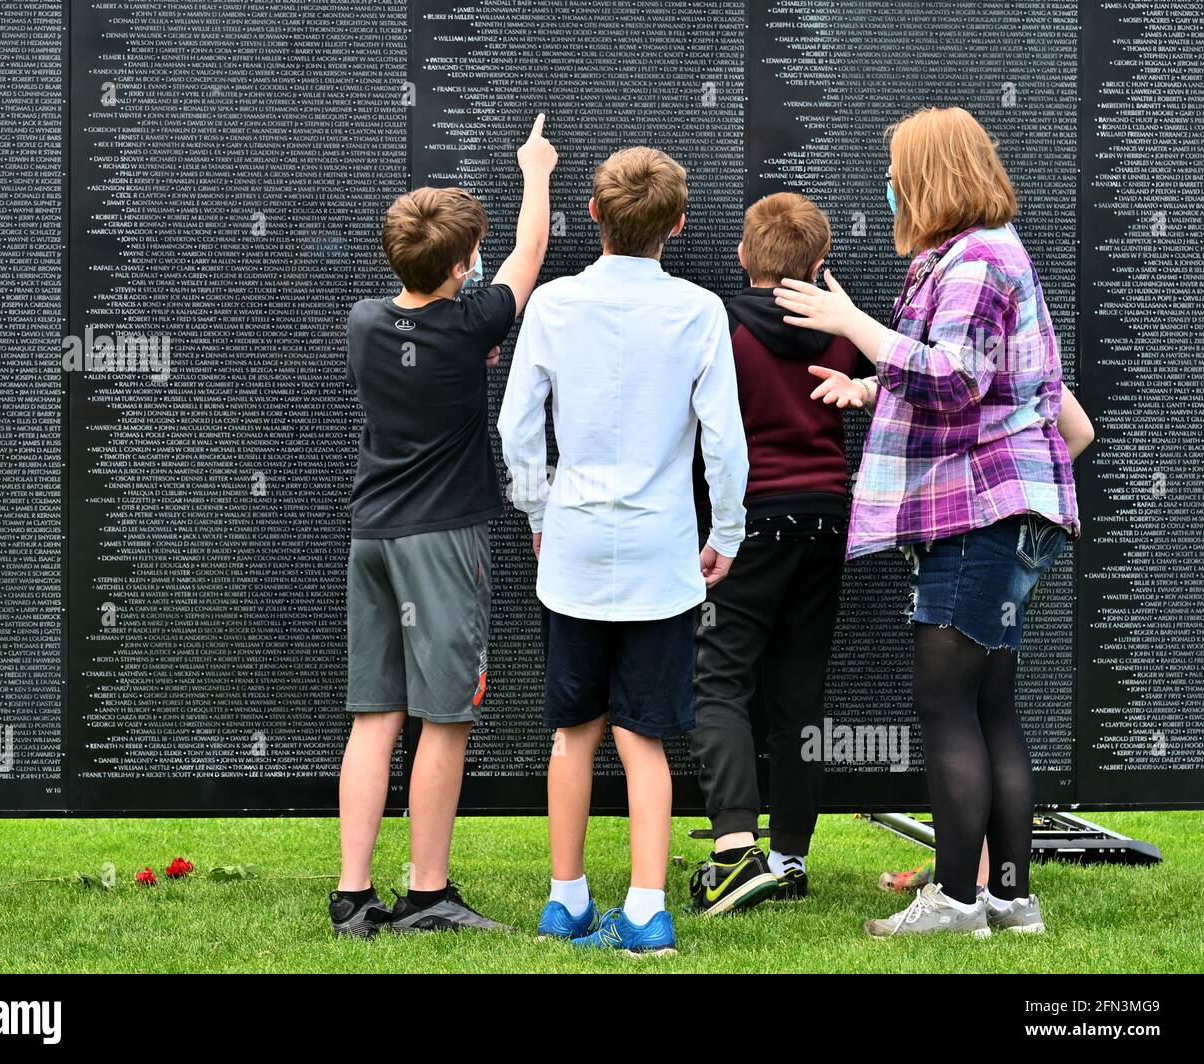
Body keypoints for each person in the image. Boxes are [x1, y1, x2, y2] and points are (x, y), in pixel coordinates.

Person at [774, 106, 1090, 937]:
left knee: (948, 704)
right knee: (990, 706)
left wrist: (856, 330)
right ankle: (1010, 900)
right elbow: (977, 382)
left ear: (926, 178)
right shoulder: (976, 256)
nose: (890, 189)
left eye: (897, 173)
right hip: (1001, 512)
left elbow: (952, 381)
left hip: (979, 514)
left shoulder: (977, 260)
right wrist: (869, 387)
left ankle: (955, 901)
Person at [498, 146, 749, 955]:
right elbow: (726, 442)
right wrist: (729, 533)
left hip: (570, 548)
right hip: (663, 554)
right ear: (678, 224)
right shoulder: (702, 311)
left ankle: (565, 900)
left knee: (573, 732)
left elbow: (513, 428)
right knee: (645, 737)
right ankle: (647, 909)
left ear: (596, 215)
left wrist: (537, 506)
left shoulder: (554, 304)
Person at [331, 114, 557, 937]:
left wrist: (465, 317)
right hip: (442, 537)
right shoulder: (471, 326)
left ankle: (354, 897)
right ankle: (427, 894)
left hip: (373, 536)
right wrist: (535, 170)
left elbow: (438, 322)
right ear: (465, 267)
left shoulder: (364, 323)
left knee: (373, 716)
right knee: (445, 717)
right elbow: (528, 260)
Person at [686, 192, 862, 916]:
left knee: (720, 682)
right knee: (800, 697)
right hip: (827, 522)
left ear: (741, 257)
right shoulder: (846, 336)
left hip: (750, 525)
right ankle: (790, 854)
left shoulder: (722, 329)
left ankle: (735, 846)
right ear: (820, 264)